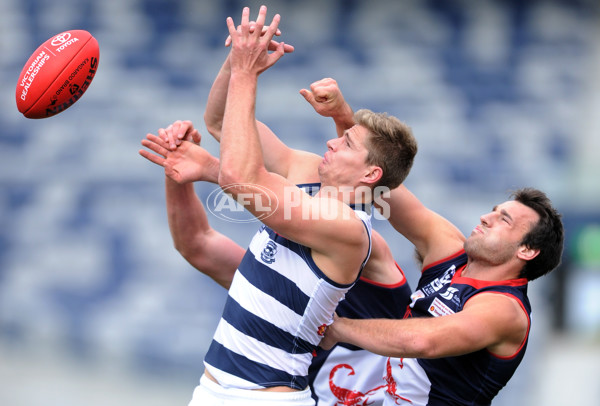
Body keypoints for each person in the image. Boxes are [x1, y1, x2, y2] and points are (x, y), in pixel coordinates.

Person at [142, 6, 418, 406]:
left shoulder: (349, 230)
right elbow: (220, 121)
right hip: (215, 389)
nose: (331, 141)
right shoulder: (307, 177)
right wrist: (239, 53)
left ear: (370, 176)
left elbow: (241, 179)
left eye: (347, 144)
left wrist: (245, 71)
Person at [314, 100, 565, 404]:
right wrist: (344, 118)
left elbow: (424, 341)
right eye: (494, 210)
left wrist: (339, 327)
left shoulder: (504, 309)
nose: (487, 217)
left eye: (504, 220)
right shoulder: (452, 254)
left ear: (526, 250)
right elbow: (383, 185)